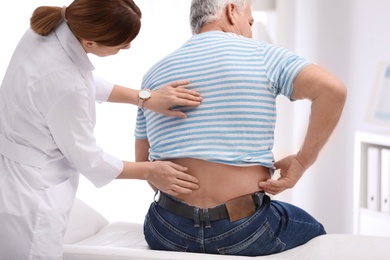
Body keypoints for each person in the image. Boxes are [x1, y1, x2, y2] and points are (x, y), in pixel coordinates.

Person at [135, 0, 347, 257]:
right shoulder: (262, 54)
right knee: (315, 231)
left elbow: (144, 166)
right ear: (231, 10)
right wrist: (301, 162)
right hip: (245, 229)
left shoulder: (153, 75)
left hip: (165, 229)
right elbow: (332, 91)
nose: (250, 31)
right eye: (250, 22)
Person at [0, 0, 203, 259]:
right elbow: (90, 160)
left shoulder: (52, 29)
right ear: (89, 44)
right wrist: (150, 171)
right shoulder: (66, 83)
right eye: (121, 45)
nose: (128, 47)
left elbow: (79, 77)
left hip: (17, 166)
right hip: (33, 196)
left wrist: (144, 98)